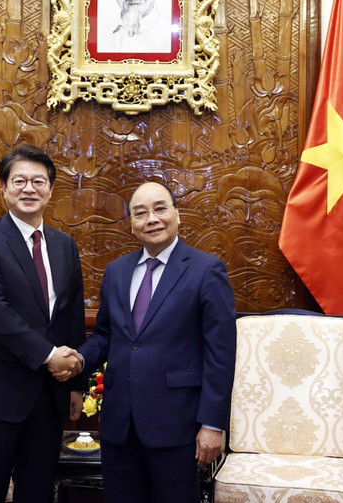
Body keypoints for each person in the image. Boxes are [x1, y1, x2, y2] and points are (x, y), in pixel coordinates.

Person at [74, 181, 237, 503]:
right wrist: (78, 361)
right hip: (119, 424)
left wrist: (213, 424)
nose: (152, 219)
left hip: (177, 424)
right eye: (140, 213)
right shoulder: (117, 271)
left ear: (177, 215)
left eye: (160, 208)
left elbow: (221, 354)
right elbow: (105, 335)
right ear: (131, 224)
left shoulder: (206, 270)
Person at [0, 144, 85, 503]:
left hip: (47, 400)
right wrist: (48, 355)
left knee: (38, 495)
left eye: (38, 181)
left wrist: (76, 384)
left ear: (50, 190)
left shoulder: (64, 245)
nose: (29, 189)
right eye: (20, 181)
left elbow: (71, 316)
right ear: (4, 188)